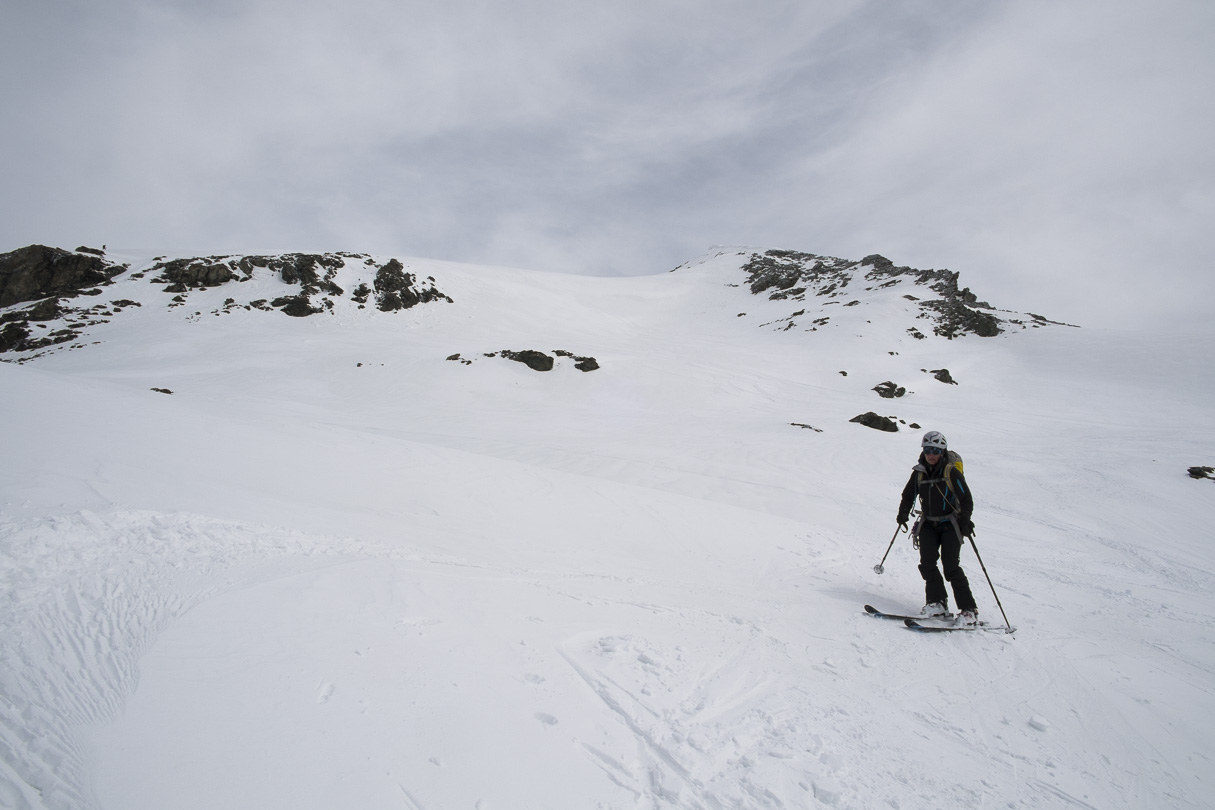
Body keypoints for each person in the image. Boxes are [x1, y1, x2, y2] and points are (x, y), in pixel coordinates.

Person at [896, 431, 979, 625]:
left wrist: (965, 520)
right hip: (928, 525)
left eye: (935, 450)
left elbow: (966, 499)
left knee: (951, 567)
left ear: (942, 452)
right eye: (927, 450)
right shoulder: (919, 472)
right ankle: (936, 603)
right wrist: (902, 514)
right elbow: (908, 495)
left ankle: (969, 611)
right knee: (927, 564)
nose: (931, 454)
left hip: (950, 524)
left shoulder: (951, 472)